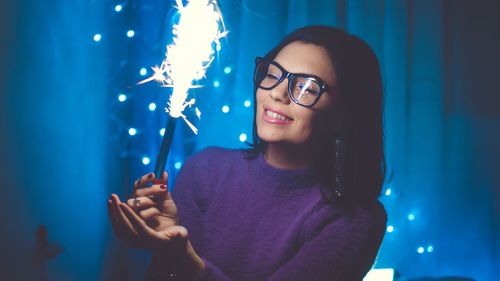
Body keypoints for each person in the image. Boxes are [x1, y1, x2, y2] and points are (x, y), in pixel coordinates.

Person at [107, 25, 387, 281]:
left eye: (306, 87)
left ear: (343, 114)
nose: (278, 93)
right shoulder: (206, 170)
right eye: (273, 74)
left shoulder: (353, 219)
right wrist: (164, 245)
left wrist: (184, 257)